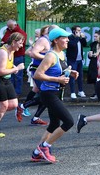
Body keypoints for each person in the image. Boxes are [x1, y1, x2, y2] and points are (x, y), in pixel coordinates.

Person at [31, 27, 79, 163]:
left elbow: (59, 69)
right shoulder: (51, 55)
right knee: (69, 121)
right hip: (48, 93)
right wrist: (58, 79)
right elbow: (37, 74)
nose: (67, 40)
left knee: (54, 124)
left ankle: (36, 153)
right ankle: (44, 147)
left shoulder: (61, 54)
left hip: (56, 92)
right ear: (56, 40)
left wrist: (71, 71)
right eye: (64, 38)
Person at [15, 25, 52, 126]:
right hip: (37, 69)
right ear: (44, 33)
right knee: (47, 94)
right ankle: (23, 106)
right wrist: (46, 59)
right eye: (48, 31)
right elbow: (31, 53)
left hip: (45, 70)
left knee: (42, 93)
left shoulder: (50, 41)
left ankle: (35, 117)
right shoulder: (42, 40)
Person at [0, 19, 27, 96]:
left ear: (15, 25)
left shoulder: (22, 33)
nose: (10, 29)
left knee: (18, 76)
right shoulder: (8, 31)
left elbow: (21, 45)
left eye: (11, 27)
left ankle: (17, 92)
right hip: (9, 55)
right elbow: (4, 40)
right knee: (10, 75)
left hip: (18, 56)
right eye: (8, 27)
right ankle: (11, 92)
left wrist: (5, 43)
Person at [67, 25, 87, 99]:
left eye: (80, 30)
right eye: (78, 30)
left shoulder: (79, 38)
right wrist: (77, 37)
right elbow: (72, 45)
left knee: (80, 76)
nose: (79, 32)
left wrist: (83, 38)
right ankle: (72, 92)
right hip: (72, 60)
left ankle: (80, 90)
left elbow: (85, 44)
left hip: (79, 59)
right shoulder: (70, 38)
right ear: (73, 31)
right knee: (72, 76)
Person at [87, 30, 100, 100]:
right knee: (94, 78)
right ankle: (96, 93)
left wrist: (95, 55)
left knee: (99, 78)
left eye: (96, 36)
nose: (95, 38)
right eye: (94, 36)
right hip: (93, 63)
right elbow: (91, 54)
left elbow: (99, 54)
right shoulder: (93, 44)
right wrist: (90, 55)